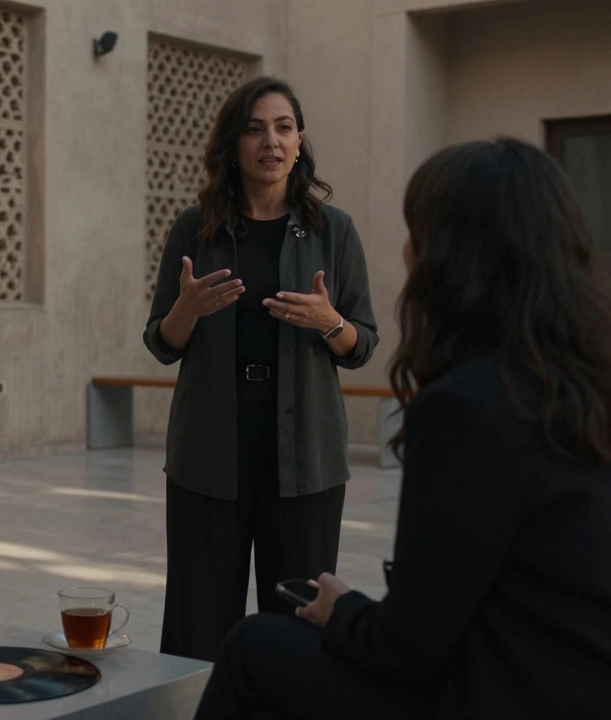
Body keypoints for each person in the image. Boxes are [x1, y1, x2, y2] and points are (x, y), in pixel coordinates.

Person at [193, 138, 611, 719]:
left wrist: (342, 611)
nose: (406, 250)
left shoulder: (469, 408)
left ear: (452, 257)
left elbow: (407, 649)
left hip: (513, 700)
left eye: (416, 231)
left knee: (253, 648)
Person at [144, 76, 378, 663]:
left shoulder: (334, 230)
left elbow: (362, 344)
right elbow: (161, 342)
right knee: (198, 621)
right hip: (209, 452)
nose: (270, 141)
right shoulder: (194, 226)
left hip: (306, 458)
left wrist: (329, 321)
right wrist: (186, 310)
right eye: (254, 129)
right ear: (233, 145)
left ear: (299, 142)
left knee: (298, 618)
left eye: (283, 127)